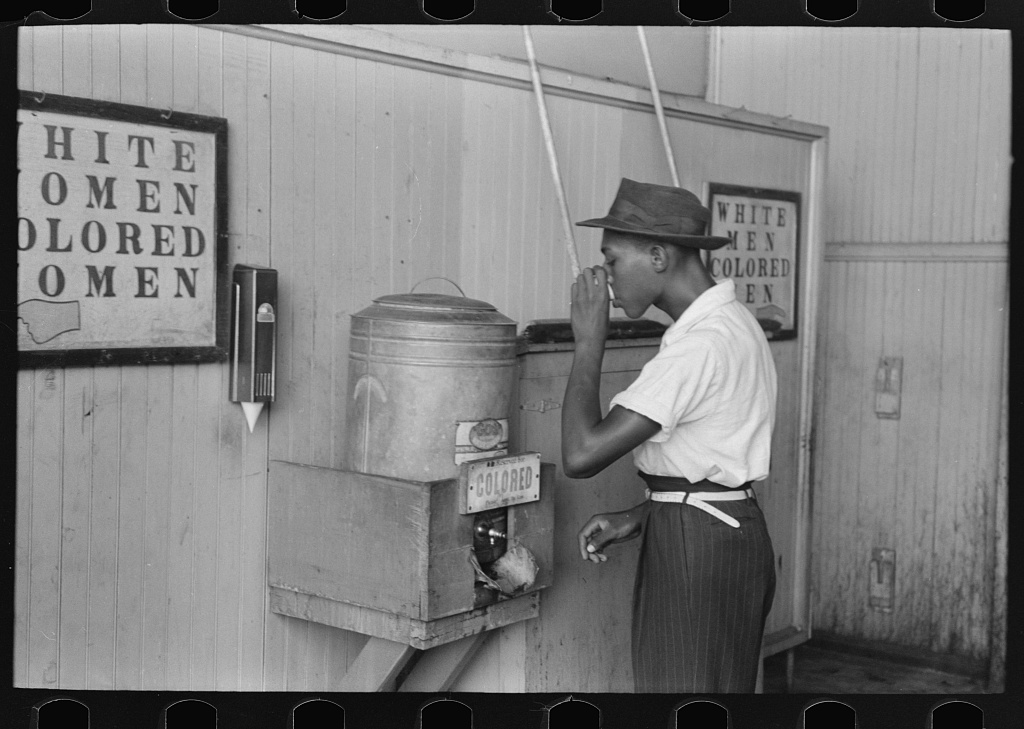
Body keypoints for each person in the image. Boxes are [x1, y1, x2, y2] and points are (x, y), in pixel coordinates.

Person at [561, 178, 778, 693]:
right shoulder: (732, 323)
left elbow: (581, 454)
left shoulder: (700, 346)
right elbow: (711, 459)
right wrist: (644, 515)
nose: (606, 277)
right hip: (722, 530)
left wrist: (589, 341)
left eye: (612, 260)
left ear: (658, 256)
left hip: (697, 548)